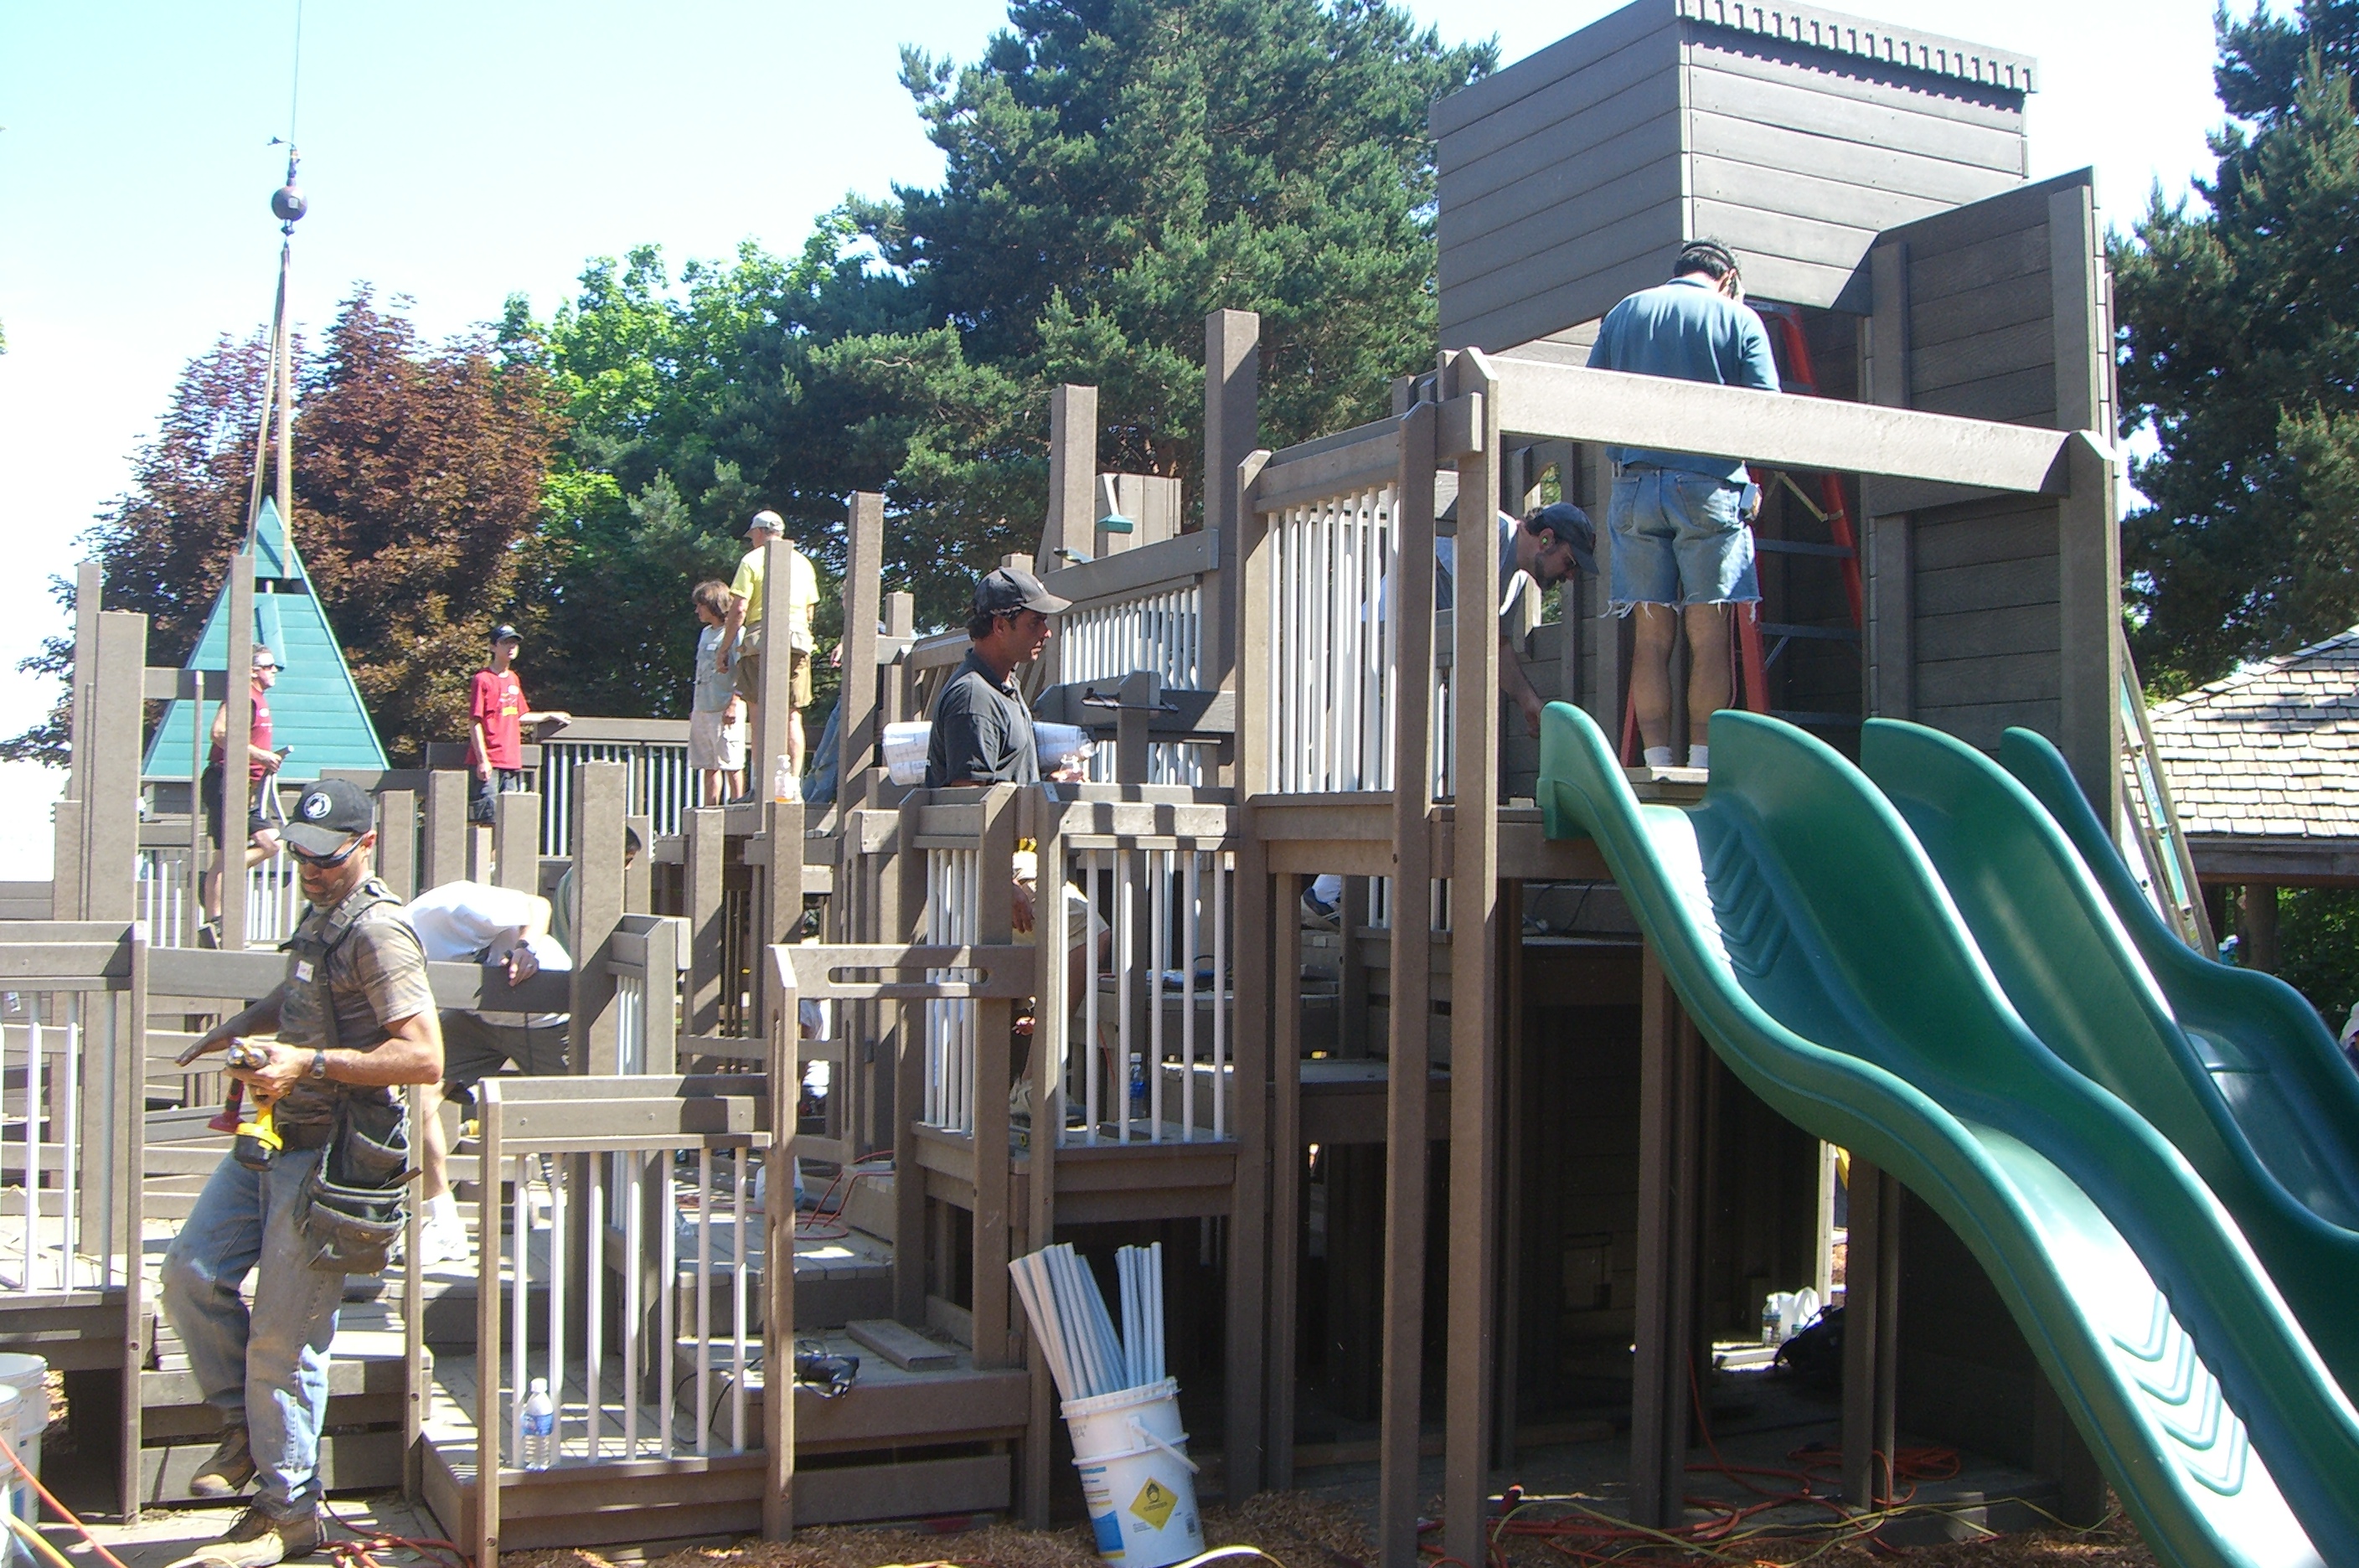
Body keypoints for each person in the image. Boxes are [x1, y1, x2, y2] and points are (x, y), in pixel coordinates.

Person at [162, 780, 443, 1565]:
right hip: (274, 1135)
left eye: (327, 858)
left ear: (366, 846)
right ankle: (242, 1434)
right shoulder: (324, 916)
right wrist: (237, 1029)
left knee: (283, 1340)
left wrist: (308, 1063)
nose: (312, 871)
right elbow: (300, 993)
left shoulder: (381, 932)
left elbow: (425, 1057)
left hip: (333, 1155)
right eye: (301, 856)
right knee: (190, 1273)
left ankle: (289, 1516)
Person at [1303, 502, 1592, 928]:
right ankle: (1327, 895)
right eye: (1569, 562)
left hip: (1421, 670)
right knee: (1387, 776)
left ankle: (1365, 897)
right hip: (1381, 653)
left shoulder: (1512, 581)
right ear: (1546, 539)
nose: (1569, 576)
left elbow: (1495, 644)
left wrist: (1529, 702)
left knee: (1413, 779)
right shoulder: (1487, 525)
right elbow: (1426, 547)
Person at [1586, 239, 1780, 771]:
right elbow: (1769, 412)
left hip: (1635, 487)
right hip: (1708, 485)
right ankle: (1700, 763)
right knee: (1708, 634)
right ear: (1728, 278)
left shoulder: (1626, 312)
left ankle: (1656, 760)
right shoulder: (1737, 318)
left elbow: (1589, 393)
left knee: (1651, 636)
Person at [400, 880, 572, 1265]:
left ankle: (580, 1224)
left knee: (569, 1122)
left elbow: (538, 904)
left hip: (546, 1017)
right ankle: (443, 1222)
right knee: (416, 1094)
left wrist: (526, 948)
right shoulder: (391, 950)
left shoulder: (451, 907)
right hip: (475, 1019)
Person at [715, 510, 820, 795]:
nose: (752, 541)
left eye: (753, 536)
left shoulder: (752, 560)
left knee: (758, 712)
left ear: (760, 533)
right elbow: (809, 611)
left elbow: (739, 609)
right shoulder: (803, 562)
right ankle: (792, 785)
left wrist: (724, 649)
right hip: (798, 640)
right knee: (792, 714)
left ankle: (763, 785)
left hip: (759, 641)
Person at [200, 646, 286, 939]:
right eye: (269, 666)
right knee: (225, 855)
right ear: (252, 670)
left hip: (247, 788)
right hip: (226, 780)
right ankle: (215, 921)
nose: (274, 671)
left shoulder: (259, 698)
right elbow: (219, 733)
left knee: (271, 842)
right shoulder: (242, 696)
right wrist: (261, 755)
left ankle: (217, 880)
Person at [469, 625, 570, 823]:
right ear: (492, 647)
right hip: (490, 761)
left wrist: (548, 716)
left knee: (510, 820)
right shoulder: (482, 679)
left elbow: (519, 715)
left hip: (511, 761)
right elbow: (474, 722)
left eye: (514, 643)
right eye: (505, 642)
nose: (511, 647)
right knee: (487, 819)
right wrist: (482, 760)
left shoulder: (513, 679)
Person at [689, 580, 749, 804]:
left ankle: (738, 807)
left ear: (713, 605)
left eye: (701, 605)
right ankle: (709, 812)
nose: (697, 610)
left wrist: (734, 703)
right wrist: (696, 708)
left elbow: (743, 670)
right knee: (708, 764)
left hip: (726, 708)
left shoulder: (735, 633)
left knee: (732, 763)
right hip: (704, 708)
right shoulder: (705, 633)